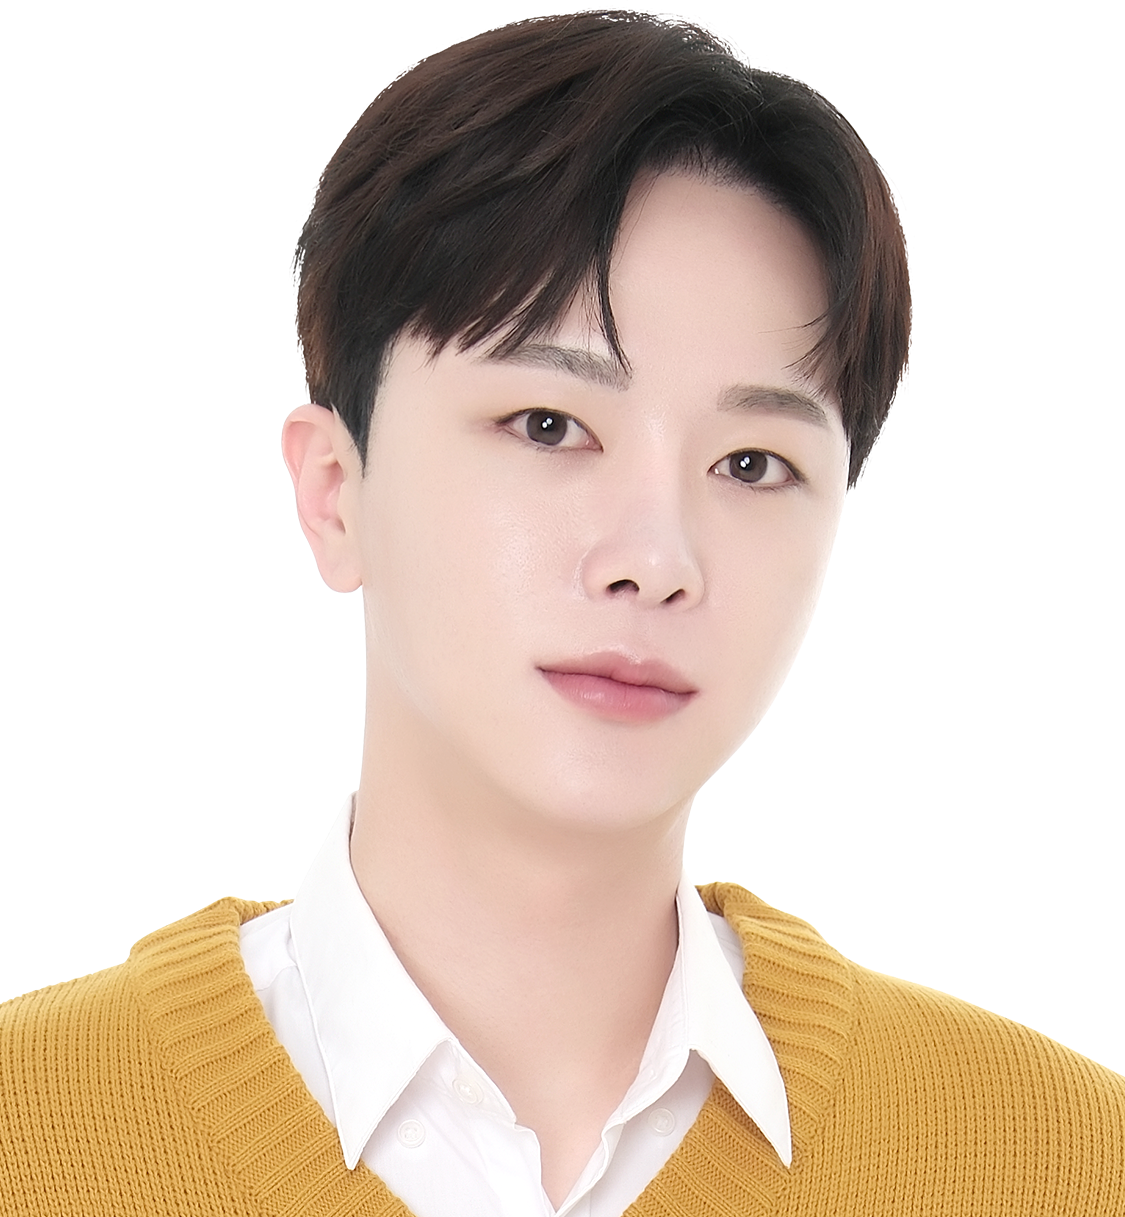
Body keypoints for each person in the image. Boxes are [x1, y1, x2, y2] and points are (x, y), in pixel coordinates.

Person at [2, 14, 1121, 1217]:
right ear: (332, 494)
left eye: (752, 464)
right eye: (549, 426)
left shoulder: (1056, 1159)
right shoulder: (34, 1128)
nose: (655, 559)